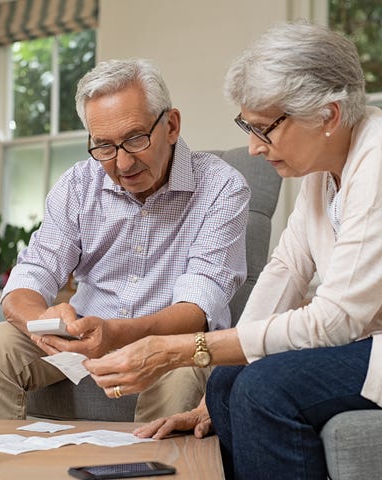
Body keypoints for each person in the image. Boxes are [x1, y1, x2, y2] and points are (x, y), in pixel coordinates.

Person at [84, 22, 382, 479]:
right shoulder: (323, 173)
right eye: (248, 126)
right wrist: (210, 387)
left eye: (264, 129)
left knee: (265, 389)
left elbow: (336, 319)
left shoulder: (376, 159)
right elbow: (285, 269)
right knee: (226, 382)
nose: (252, 147)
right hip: (364, 343)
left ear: (329, 115)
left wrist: (181, 350)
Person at [0, 58, 250, 422]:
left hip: (170, 344)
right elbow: (33, 272)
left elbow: (197, 309)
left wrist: (115, 335)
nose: (122, 163)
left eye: (135, 139)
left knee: (183, 368)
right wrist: (44, 322)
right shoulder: (78, 184)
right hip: (82, 338)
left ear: (172, 125)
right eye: (103, 146)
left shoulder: (222, 187)